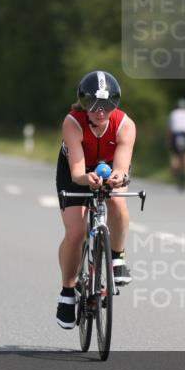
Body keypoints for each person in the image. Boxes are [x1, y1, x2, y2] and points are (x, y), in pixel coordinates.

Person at [55, 70, 137, 329]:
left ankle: (117, 257)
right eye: (93, 104)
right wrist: (86, 178)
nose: (100, 111)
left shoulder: (125, 125)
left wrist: (118, 178)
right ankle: (67, 292)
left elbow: (122, 168)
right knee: (77, 233)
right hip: (76, 172)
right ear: (83, 103)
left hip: (109, 166)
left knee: (118, 203)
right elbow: (78, 173)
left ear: (116, 104)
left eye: (107, 105)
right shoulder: (73, 122)